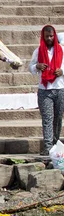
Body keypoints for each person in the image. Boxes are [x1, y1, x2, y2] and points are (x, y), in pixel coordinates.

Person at [29, 25, 64, 155]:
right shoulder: (38, 51)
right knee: (47, 119)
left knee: (58, 118)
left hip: (60, 88)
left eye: (51, 36)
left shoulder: (62, 50)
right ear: (43, 37)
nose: (49, 39)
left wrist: (62, 71)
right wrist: (37, 66)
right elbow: (30, 67)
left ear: (54, 36)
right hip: (44, 89)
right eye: (47, 37)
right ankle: (48, 147)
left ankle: (55, 144)